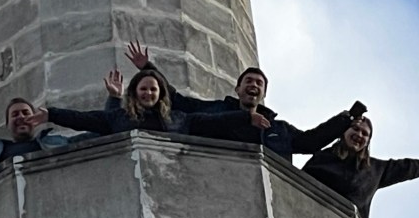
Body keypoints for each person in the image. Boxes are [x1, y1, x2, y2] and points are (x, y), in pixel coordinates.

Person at [120, 41, 366, 162]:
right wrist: (149, 69)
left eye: (259, 83)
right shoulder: (215, 110)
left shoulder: (278, 129)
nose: (253, 85)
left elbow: (310, 142)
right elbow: (177, 101)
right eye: (248, 81)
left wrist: (346, 119)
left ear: (263, 93)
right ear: (238, 89)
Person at [31, 68, 270, 136]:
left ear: (160, 93)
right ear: (135, 93)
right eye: (143, 89)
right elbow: (83, 119)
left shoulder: (178, 119)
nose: (148, 93)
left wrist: (246, 117)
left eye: (153, 89)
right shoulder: (119, 117)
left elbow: (213, 122)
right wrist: (51, 114)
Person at [301, 117, 419, 218]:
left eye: (364, 133)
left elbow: (408, 168)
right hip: (305, 214)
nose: (359, 134)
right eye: (355, 129)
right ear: (344, 132)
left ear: (368, 142)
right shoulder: (322, 157)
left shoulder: (376, 170)